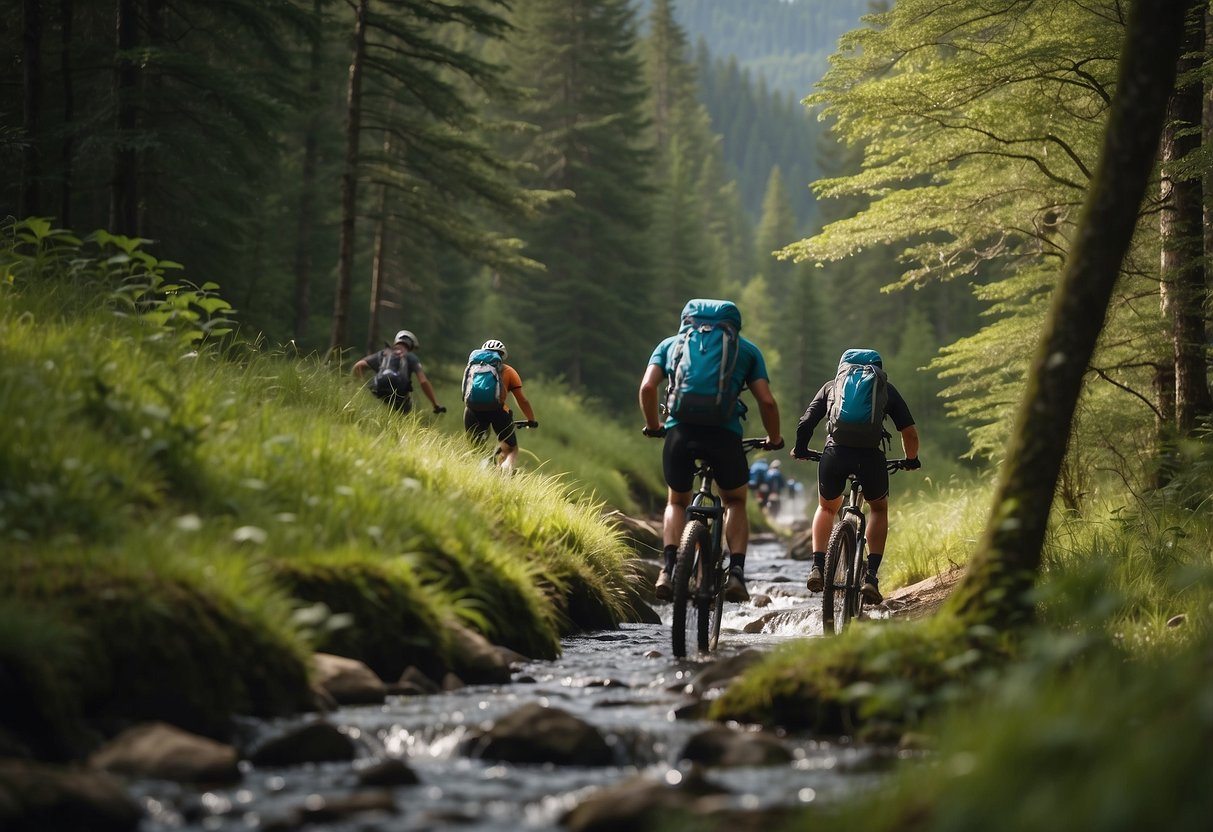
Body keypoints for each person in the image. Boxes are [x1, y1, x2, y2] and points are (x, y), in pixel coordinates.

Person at [639, 299, 783, 604]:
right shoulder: (746, 350)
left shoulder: (669, 345)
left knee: (676, 501)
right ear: (734, 324)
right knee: (734, 500)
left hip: (680, 433)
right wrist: (774, 437)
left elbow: (647, 389)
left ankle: (667, 569)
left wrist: (654, 425)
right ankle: (736, 574)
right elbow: (767, 402)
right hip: (724, 436)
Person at [792, 349, 921, 605]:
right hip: (870, 459)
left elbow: (806, 423)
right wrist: (910, 459)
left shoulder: (831, 387)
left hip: (835, 456)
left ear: (842, 367)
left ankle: (817, 566)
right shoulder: (885, 389)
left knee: (827, 508)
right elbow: (909, 432)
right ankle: (871, 577)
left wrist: (801, 449)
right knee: (878, 509)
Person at [462, 339, 537, 473]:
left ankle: (482, 472)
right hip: (498, 412)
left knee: (477, 449)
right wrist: (531, 419)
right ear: (502, 356)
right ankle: (505, 471)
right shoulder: (509, 371)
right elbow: (522, 400)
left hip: (472, 410)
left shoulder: (472, 367)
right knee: (511, 450)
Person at [352, 329, 446, 415]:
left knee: (376, 407)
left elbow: (358, 366)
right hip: (399, 391)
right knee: (405, 409)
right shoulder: (410, 357)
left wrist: (361, 387)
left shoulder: (384, 353)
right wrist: (435, 404)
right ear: (410, 346)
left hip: (379, 386)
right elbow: (423, 381)